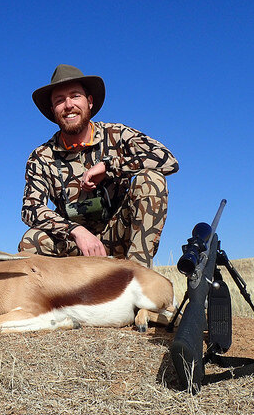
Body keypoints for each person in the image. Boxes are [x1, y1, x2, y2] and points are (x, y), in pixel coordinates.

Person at [19, 64, 179, 267]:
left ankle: (138, 276)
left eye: (75, 96)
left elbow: (167, 159)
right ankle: (64, 295)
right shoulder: (41, 156)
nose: (68, 105)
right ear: (53, 110)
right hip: (74, 247)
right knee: (31, 241)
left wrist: (109, 167)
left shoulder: (117, 134)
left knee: (151, 180)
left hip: (120, 234)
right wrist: (76, 231)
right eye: (59, 100)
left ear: (90, 102)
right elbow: (30, 209)